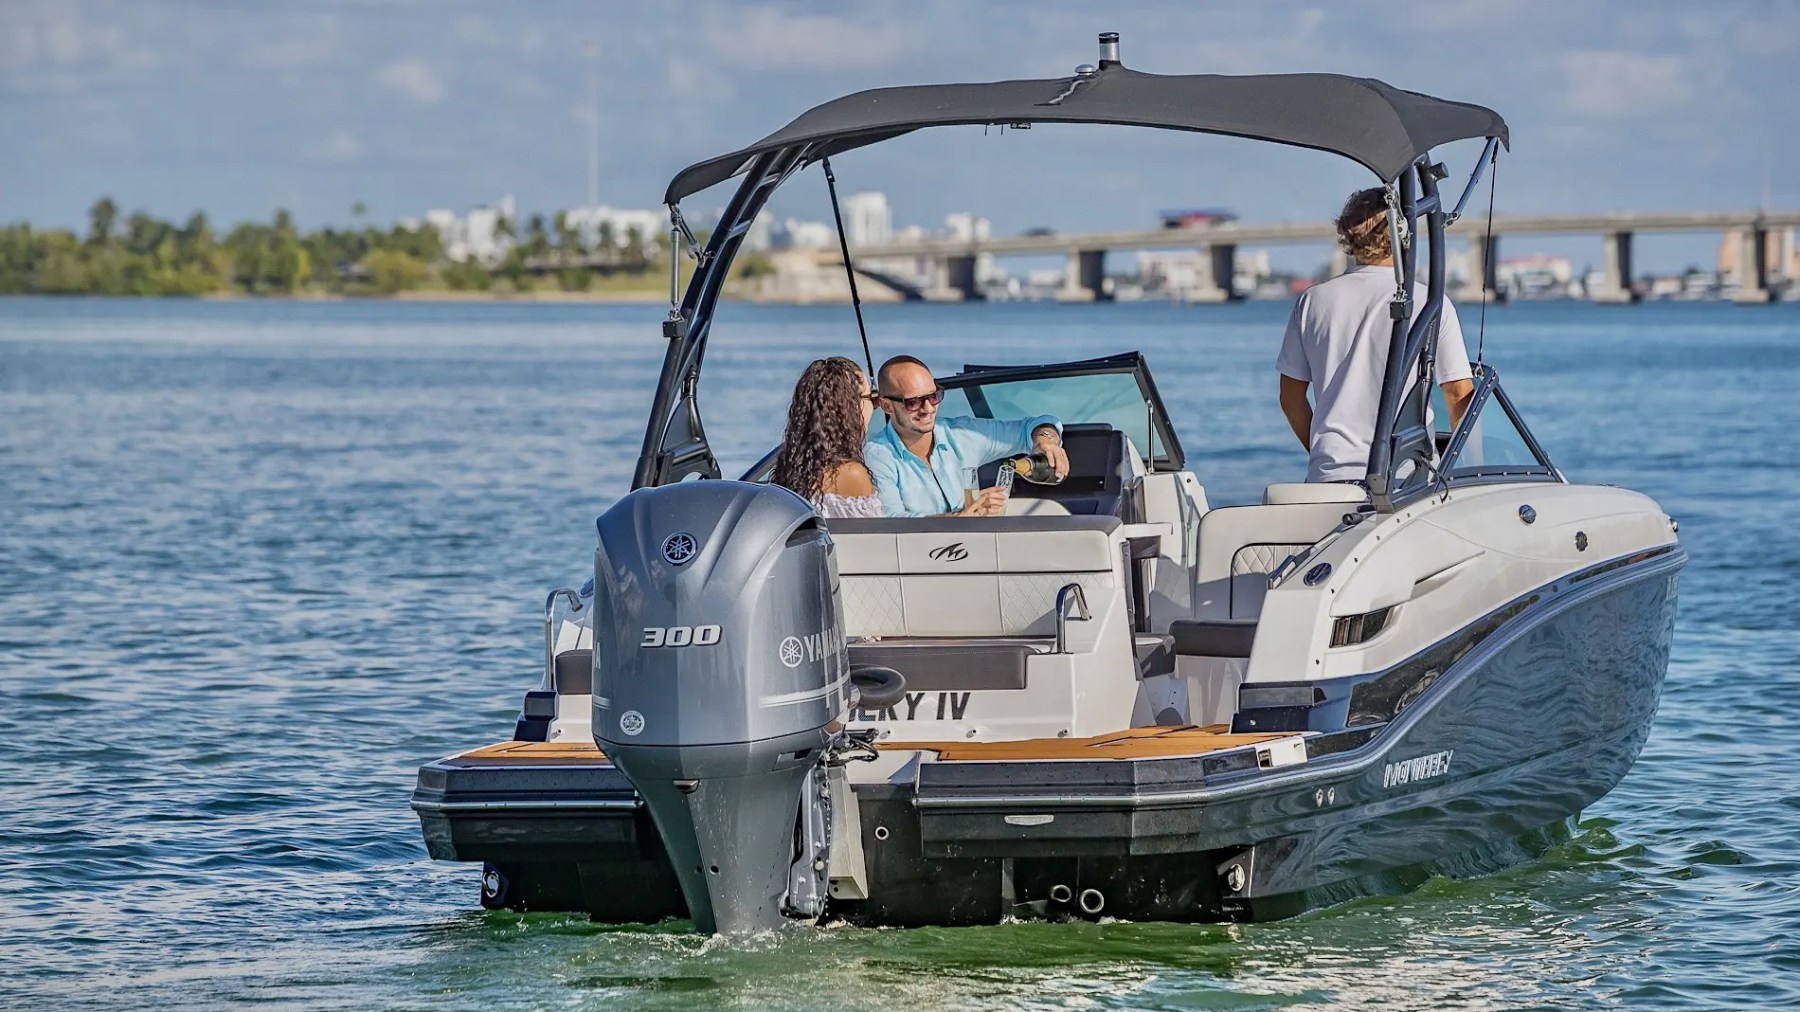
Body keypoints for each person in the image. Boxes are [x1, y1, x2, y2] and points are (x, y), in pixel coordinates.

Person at [1277, 187, 1475, 484]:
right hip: (1407, 481)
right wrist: (1469, 465)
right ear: (1402, 234)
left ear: (1346, 235)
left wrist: (1325, 456)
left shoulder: (1312, 301)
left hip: (1328, 481)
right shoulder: (1430, 301)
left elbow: (1290, 398)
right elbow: (1458, 395)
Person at [863, 354, 1070, 517]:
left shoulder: (963, 434)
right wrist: (959, 518)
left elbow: (1033, 425)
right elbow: (891, 521)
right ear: (886, 406)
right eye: (913, 402)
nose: (928, 408)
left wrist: (1046, 440)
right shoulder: (877, 455)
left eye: (933, 396)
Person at [770, 356, 884, 518]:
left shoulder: (790, 470)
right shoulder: (851, 474)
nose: (874, 407)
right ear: (851, 407)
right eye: (871, 399)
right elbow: (875, 539)